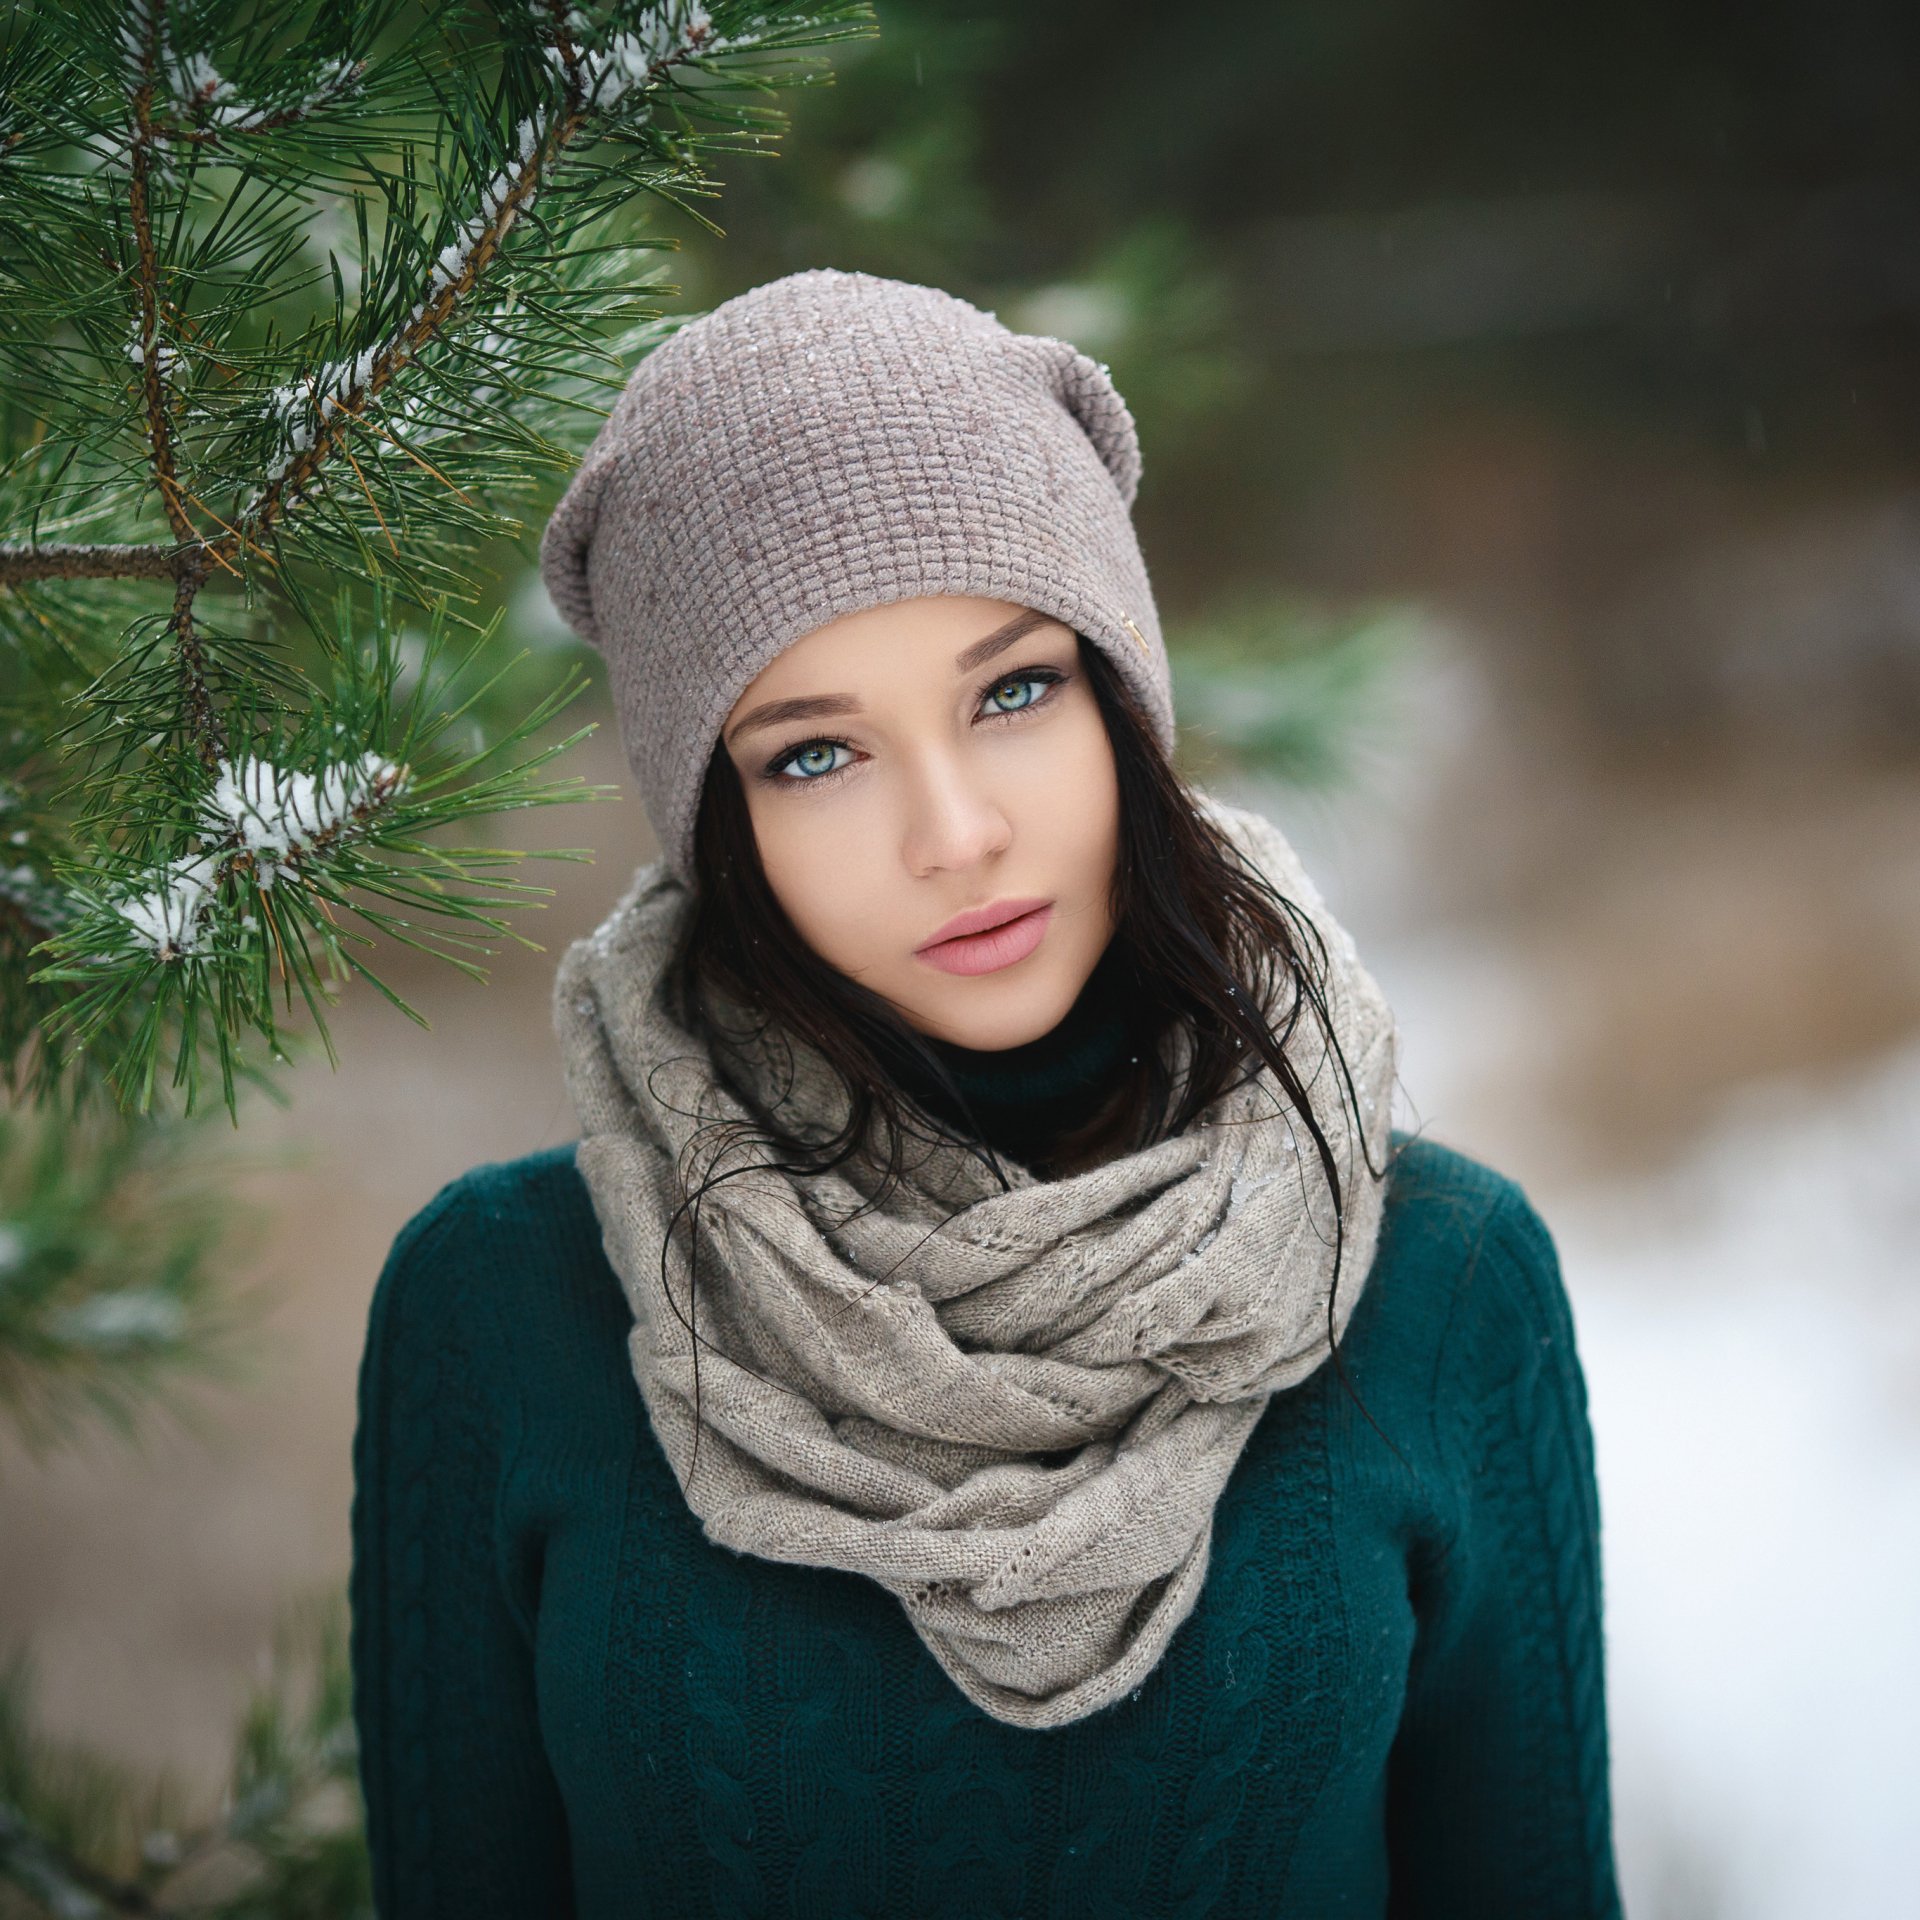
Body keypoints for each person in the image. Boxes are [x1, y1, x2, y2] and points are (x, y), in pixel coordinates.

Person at [349, 268, 1622, 1917]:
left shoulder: (1443, 1282)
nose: (954, 832)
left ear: (1118, 704)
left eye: (1012, 691)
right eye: (816, 753)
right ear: (716, 825)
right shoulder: (504, 1308)